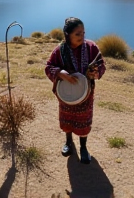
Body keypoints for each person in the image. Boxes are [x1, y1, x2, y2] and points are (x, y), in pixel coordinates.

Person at [45, 17, 106, 164]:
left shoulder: (91, 48)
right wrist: (59, 73)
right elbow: (48, 67)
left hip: (86, 94)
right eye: (77, 34)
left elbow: (101, 65)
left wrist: (96, 73)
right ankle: (68, 142)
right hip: (66, 94)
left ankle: (83, 147)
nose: (82, 37)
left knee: (83, 121)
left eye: (83, 33)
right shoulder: (59, 51)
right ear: (68, 34)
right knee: (67, 119)